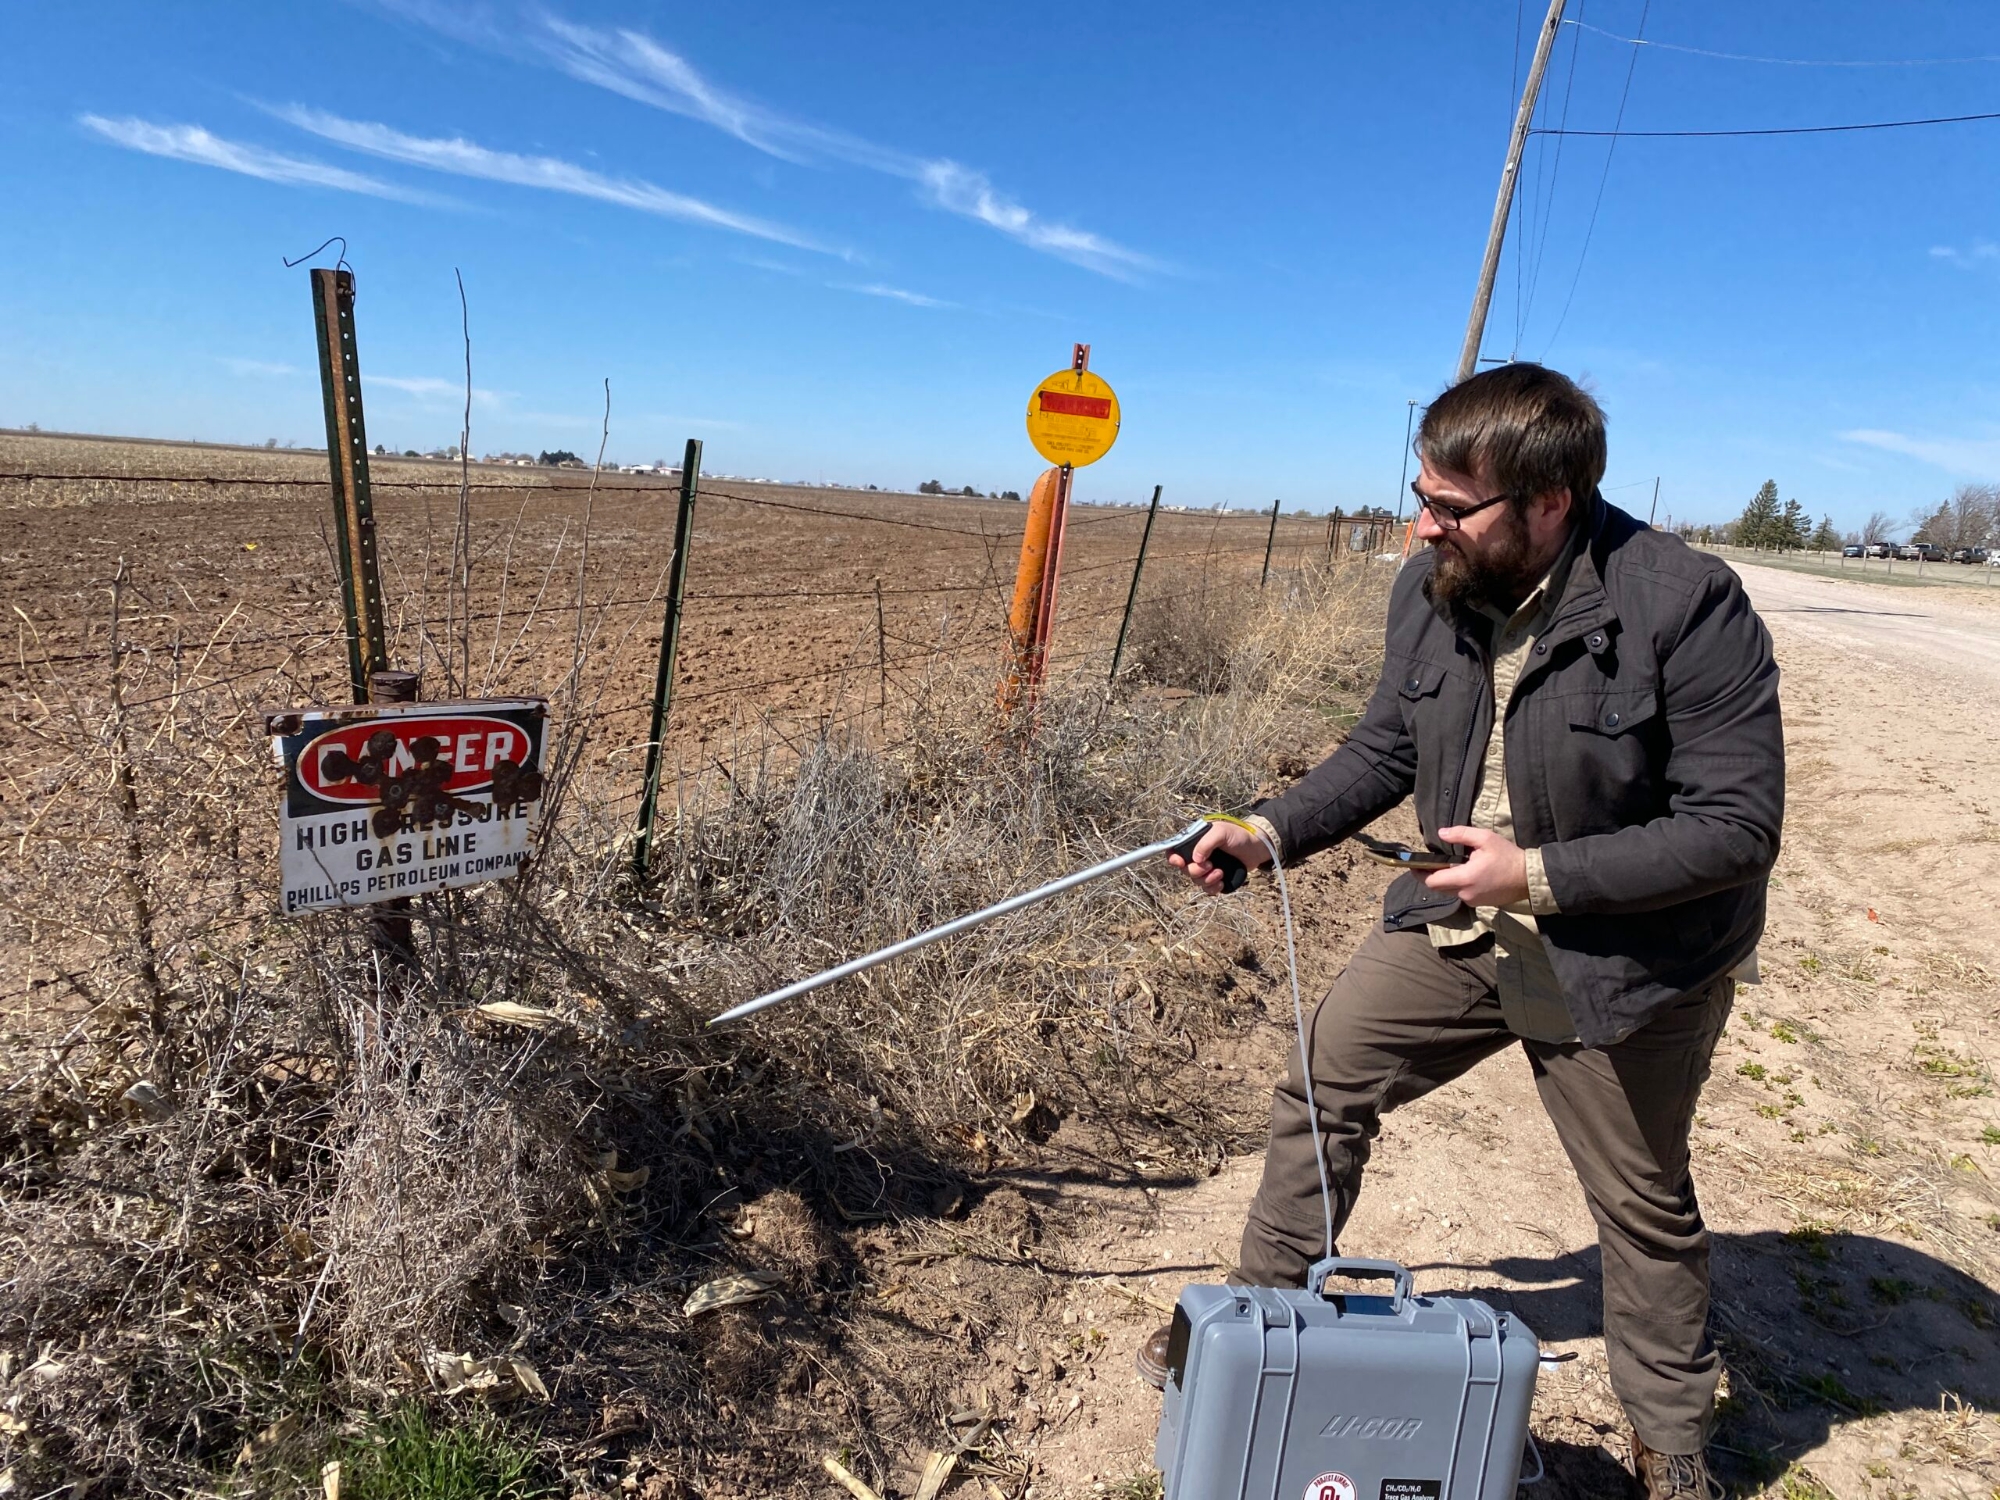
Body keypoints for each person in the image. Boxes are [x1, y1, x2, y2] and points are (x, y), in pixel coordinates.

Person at [1146, 364, 1783, 1500]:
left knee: (1639, 1205)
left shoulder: (1684, 602)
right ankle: (1244, 1339)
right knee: (1318, 1082)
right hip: (1457, 918)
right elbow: (1384, 746)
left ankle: (1672, 1446)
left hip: (1625, 956)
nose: (1419, 524)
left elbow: (1734, 830)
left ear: (1547, 502)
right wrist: (1267, 831)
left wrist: (1534, 872)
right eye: (1420, 494)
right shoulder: (1428, 587)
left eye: (1449, 507)